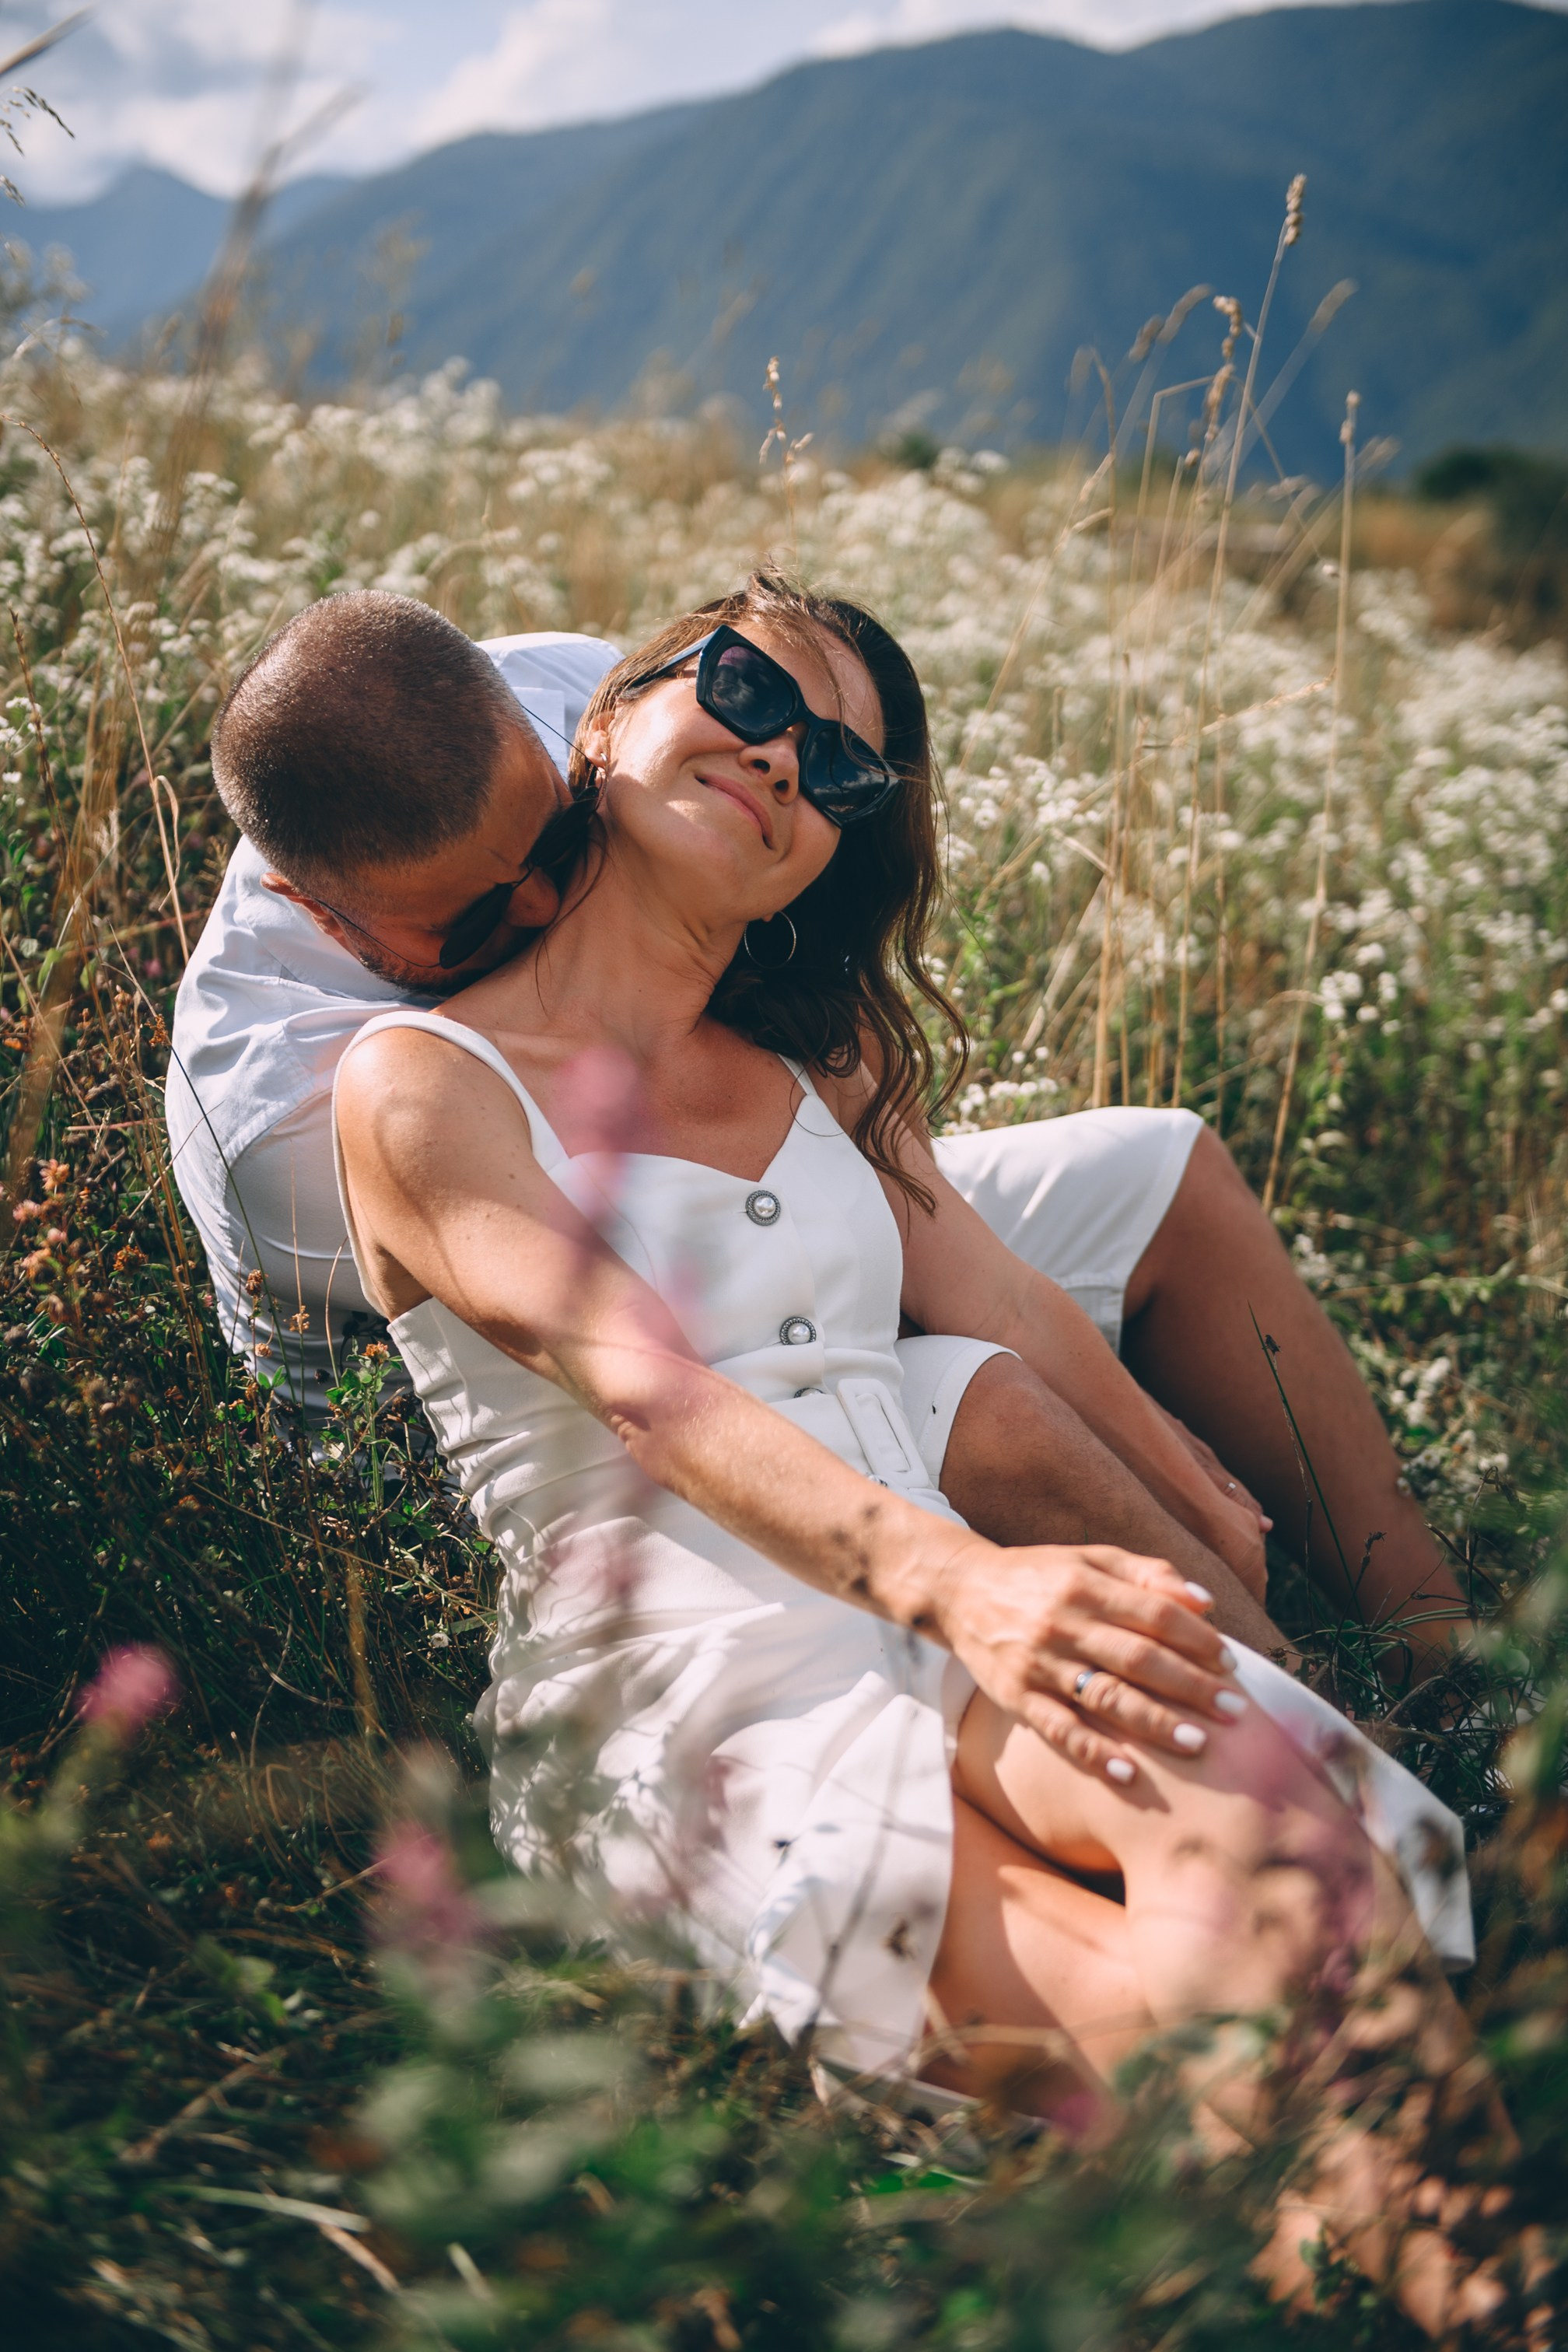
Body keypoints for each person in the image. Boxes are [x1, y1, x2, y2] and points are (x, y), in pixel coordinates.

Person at [317, 580, 1507, 2337]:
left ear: (828, 856)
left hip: (946, 1608)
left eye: (847, 777)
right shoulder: (423, 1083)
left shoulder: (821, 1064)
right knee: (1183, 2003)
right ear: (605, 719)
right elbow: (640, 1382)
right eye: (748, 690)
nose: (787, 760)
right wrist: (963, 1580)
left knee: (1287, 1884)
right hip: (699, 1690)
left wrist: (1205, 1524)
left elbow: (1013, 1308)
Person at [168, 590, 1468, 1691]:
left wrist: (1156, 1445)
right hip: (491, 1428)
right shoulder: (284, 1112)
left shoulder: (558, 699)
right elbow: (672, 1339)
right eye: (470, 927)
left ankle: (1437, 1648)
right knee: (967, 1376)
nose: (555, 902)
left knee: (1157, 1168)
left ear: (568, 734)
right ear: (319, 916)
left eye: (564, 841)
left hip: (693, 1198)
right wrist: (1108, 1463)